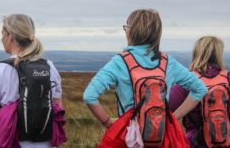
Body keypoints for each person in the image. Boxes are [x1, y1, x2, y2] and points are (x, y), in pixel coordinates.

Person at [83, 9, 208, 147]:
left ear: (131, 32)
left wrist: (107, 122)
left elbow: (89, 96)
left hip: (129, 137)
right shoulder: (168, 62)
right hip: (161, 136)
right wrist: (173, 117)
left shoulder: (119, 62)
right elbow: (200, 89)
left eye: (126, 28)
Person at [0, 14, 63, 148]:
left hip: (12, 141)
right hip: (46, 142)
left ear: (9, 36)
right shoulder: (50, 67)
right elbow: (57, 107)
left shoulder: (0, 69)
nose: (1, 38)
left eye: (2, 34)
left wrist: (7, 124)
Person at [169, 36, 230, 148]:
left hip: (195, 141)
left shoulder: (189, 81)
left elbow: (167, 105)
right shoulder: (227, 78)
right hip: (226, 139)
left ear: (197, 53)